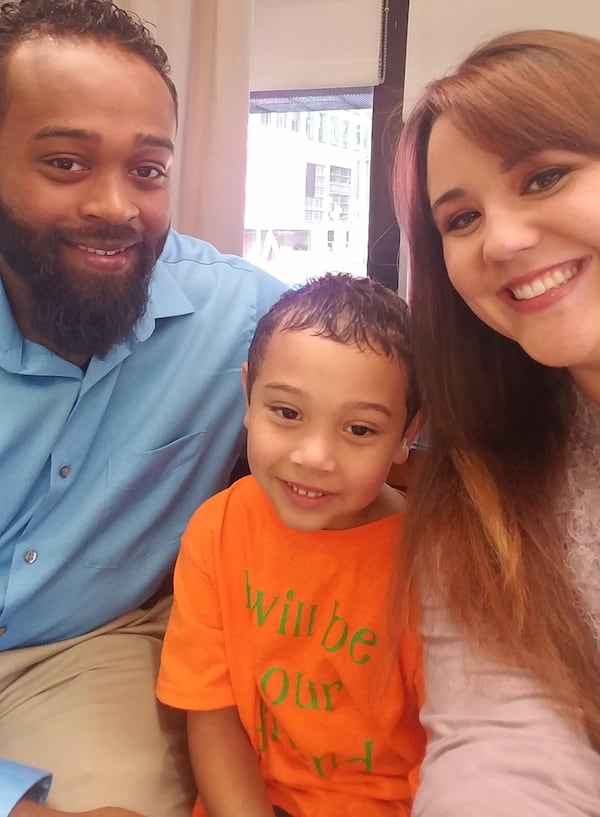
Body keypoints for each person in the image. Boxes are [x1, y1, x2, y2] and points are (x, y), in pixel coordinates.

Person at [0, 1, 286, 816]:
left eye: (148, 169)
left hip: (80, 651)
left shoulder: (242, 318)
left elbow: (418, 385)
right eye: (65, 163)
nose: (117, 206)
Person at [393, 28, 600, 816]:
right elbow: (507, 741)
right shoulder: (483, 476)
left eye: (545, 177)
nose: (505, 240)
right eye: (461, 219)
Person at [157, 274, 425, 817]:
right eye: (287, 413)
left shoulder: (432, 562)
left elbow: (457, 747)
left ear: (406, 435)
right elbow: (212, 714)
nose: (314, 456)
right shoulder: (217, 531)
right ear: (248, 395)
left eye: (359, 430)